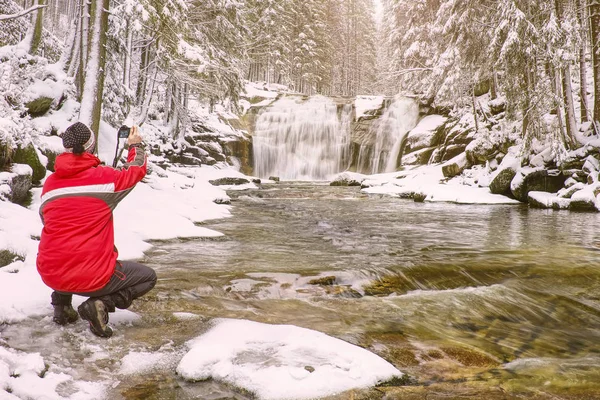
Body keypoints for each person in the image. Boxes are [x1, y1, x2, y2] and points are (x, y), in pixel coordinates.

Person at [36, 122, 156, 338]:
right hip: (91, 276)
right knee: (148, 277)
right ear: (91, 147)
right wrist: (135, 146)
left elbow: (46, 219)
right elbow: (136, 170)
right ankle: (100, 304)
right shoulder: (106, 179)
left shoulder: (50, 184)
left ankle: (61, 306)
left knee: (65, 246)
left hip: (50, 272)